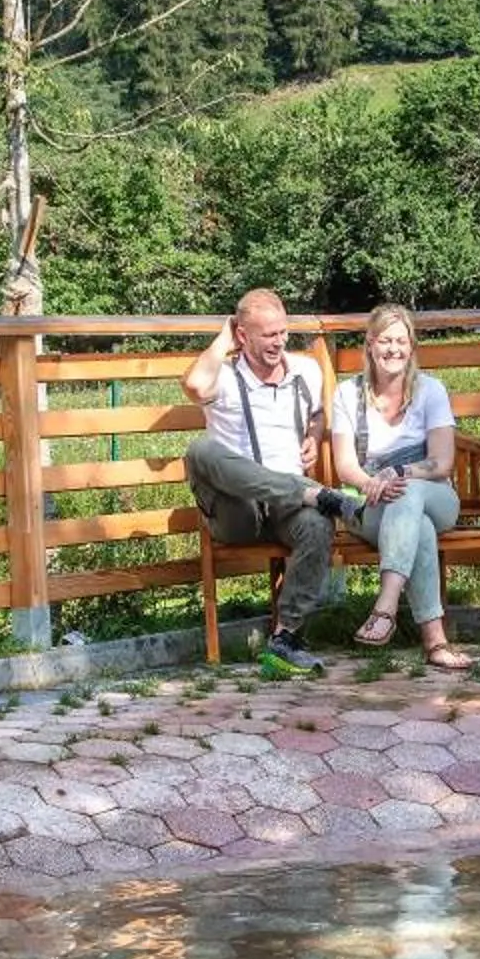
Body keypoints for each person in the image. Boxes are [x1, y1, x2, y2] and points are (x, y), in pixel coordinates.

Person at [182, 288, 352, 673]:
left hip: (289, 507)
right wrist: (224, 336)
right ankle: (313, 494)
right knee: (199, 450)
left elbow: (318, 414)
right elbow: (194, 386)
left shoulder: (306, 371)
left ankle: (285, 638)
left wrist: (314, 435)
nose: (279, 342)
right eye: (268, 335)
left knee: (318, 524)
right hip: (237, 510)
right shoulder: (224, 377)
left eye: (283, 332)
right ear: (243, 336)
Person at [331, 302, 473, 672]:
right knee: (417, 525)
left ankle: (386, 605)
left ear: (411, 347)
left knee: (408, 491)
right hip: (372, 501)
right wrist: (371, 483)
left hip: (435, 495)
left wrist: (397, 472)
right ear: (370, 344)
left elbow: (442, 461)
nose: (393, 349)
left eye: (401, 341)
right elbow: (345, 466)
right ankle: (435, 643)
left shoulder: (431, 390)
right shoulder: (347, 394)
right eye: (385, 340)